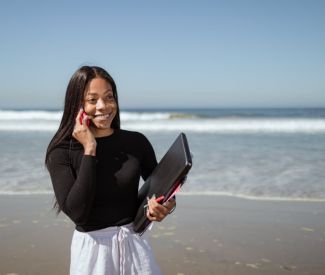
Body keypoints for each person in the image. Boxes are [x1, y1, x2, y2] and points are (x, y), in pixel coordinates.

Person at [45, 66, 176, 275]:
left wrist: (166, 206)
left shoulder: (136, 142)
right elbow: (78, 213)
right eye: (92, 99)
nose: (103, 106)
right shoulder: (61, 152)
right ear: (77, 104)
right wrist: (90, 149)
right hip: (93, 253)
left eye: (109, 97)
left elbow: (162, 188)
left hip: (135, 246)